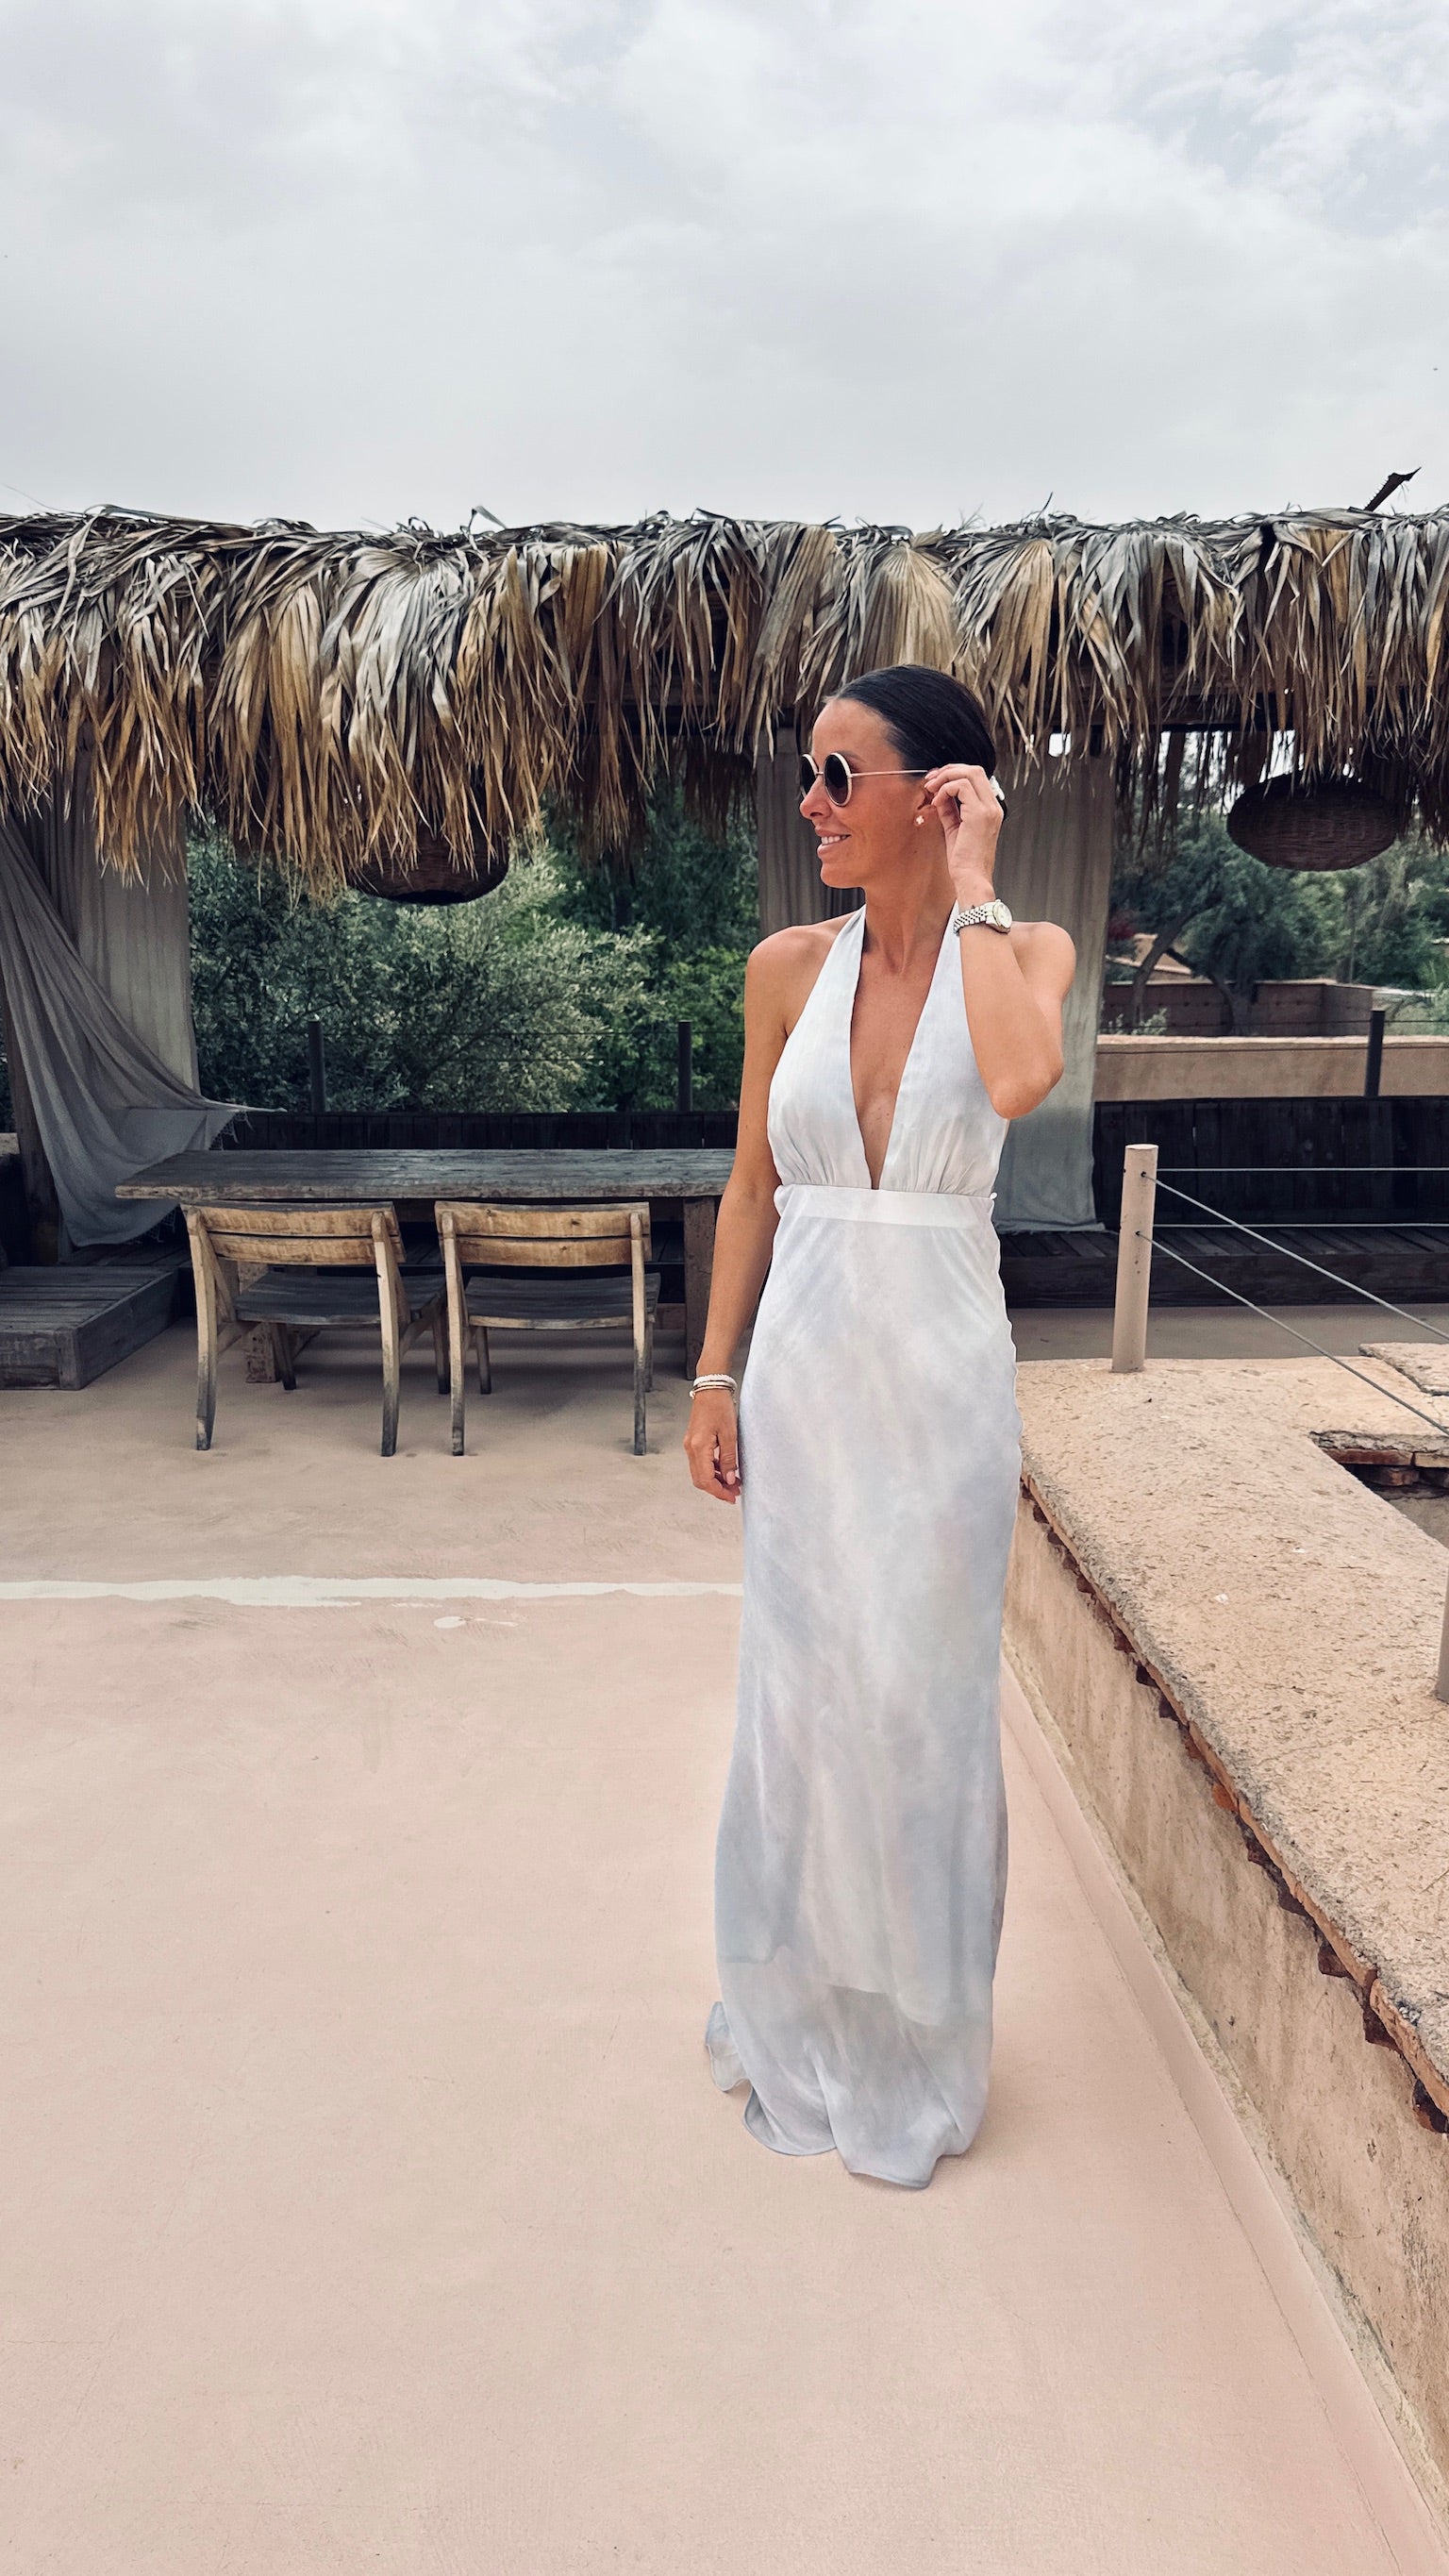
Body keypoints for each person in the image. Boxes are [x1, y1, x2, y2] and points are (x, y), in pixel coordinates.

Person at [683, 662, 1077, 2189]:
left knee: (920, 1708)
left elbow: (1021, 1074)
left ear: (940, 792)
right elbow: (751, 1186)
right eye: (811, 772)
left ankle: (918, 2029)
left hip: (940, 1380)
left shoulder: (1023, 951)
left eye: (842, 775)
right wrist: (713, 1374)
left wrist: (974, 883)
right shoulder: (785, 967)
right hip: (804, 1373)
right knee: (799, 1700)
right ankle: (800, 2001)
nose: (812, 803)